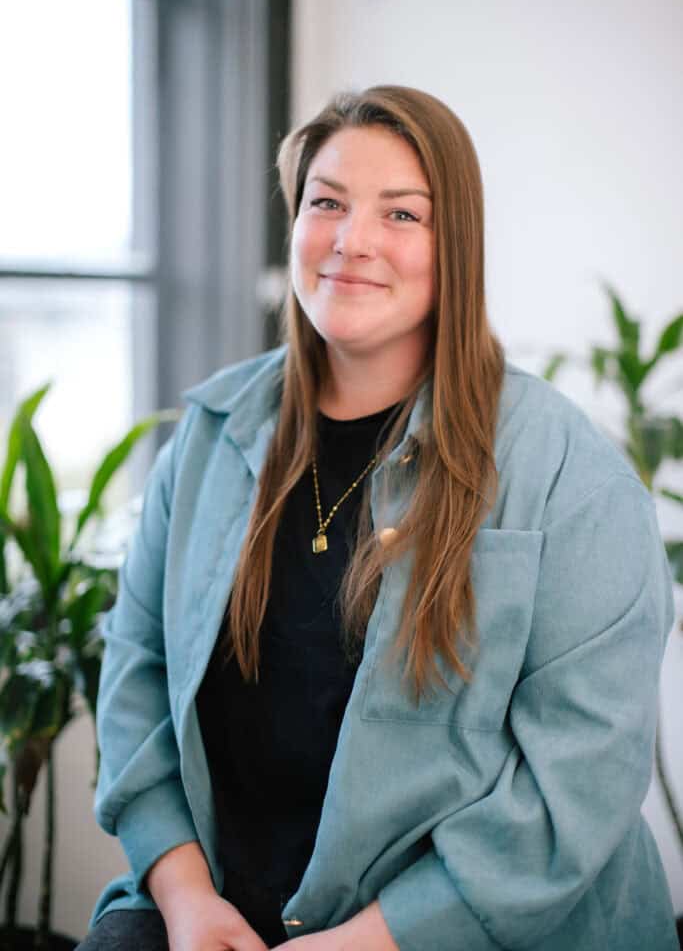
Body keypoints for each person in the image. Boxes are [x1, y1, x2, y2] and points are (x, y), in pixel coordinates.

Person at [78, 85, 678, 951]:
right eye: (326, 203)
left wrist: (364, 942)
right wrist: (183, 895)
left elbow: (575, 780)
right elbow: (136, 679)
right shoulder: (210, 438)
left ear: (456, 246)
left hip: (469, 928)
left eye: (402, 214)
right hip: (219, 906)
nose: (352, 241)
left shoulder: (568, 474)